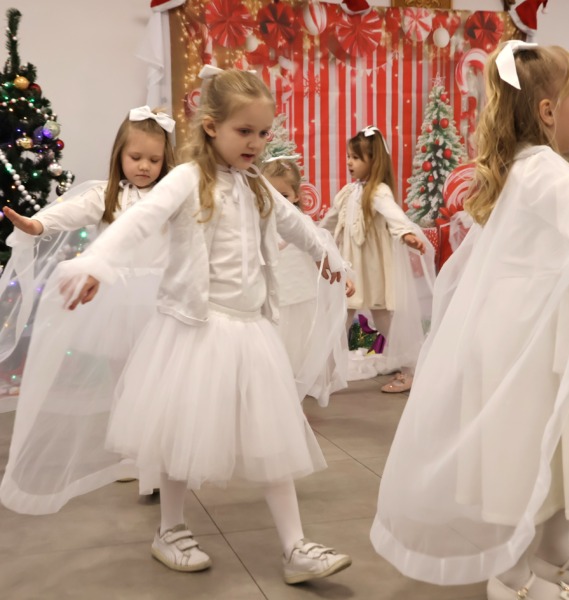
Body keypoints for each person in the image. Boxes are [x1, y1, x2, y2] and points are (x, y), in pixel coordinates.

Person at [55, 67, 352, 584]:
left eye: (263, 132)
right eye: (245, 131)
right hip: (195, 328)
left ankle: (294, 546)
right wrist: (96, 263)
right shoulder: (187, 179)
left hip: (250, 330)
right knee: (179, 434)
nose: (256, 143)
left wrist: (328, 257)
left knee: (272, 438)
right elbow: (137, 222)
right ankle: (170, 529)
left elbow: (297, 223)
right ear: (212, 127)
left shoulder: (257, 185)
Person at [370, 41, 569, 600]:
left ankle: (555, 552)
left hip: (535, 335)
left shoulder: (529, 170)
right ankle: (511, 575)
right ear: (547, 111)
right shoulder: (543, 172)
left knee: (555, 445)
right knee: (522, 454)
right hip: (525, 343)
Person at [0, 106, 175, 510]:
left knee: (154, 381)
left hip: (160, 300)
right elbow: (68, 212)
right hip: (116, 297)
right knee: (122, 383)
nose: (144, 166)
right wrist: (37, 224)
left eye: (154, 159)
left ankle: (156, 462)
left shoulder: (170, 197)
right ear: (119, 155)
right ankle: (132, 452)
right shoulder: (106, 195)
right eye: (136, 157)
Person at [319, 125, 434, 393]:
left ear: (373, 161)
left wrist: (406, 233)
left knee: (383, 320)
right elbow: (329, 221)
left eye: (356, 157)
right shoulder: (348, 193)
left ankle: (412, 368)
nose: (349, 162)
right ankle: (323, 374)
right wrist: (312, 237)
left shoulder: (378, 192)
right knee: (340, 319)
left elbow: (394, 214)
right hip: (351, 270)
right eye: (349, 156)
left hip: (373, 271)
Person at [261, 155, 352, 406]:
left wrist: (342, 272)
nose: (279, 202)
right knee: (273, 348)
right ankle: (274, 393)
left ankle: (292, 396)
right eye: (272, 195)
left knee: (298, 349)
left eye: (284, 195)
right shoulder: (260, 224)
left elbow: (323, 246)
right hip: (274, 298)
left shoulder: (301, 223)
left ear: (296, 195)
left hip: (301, 297)